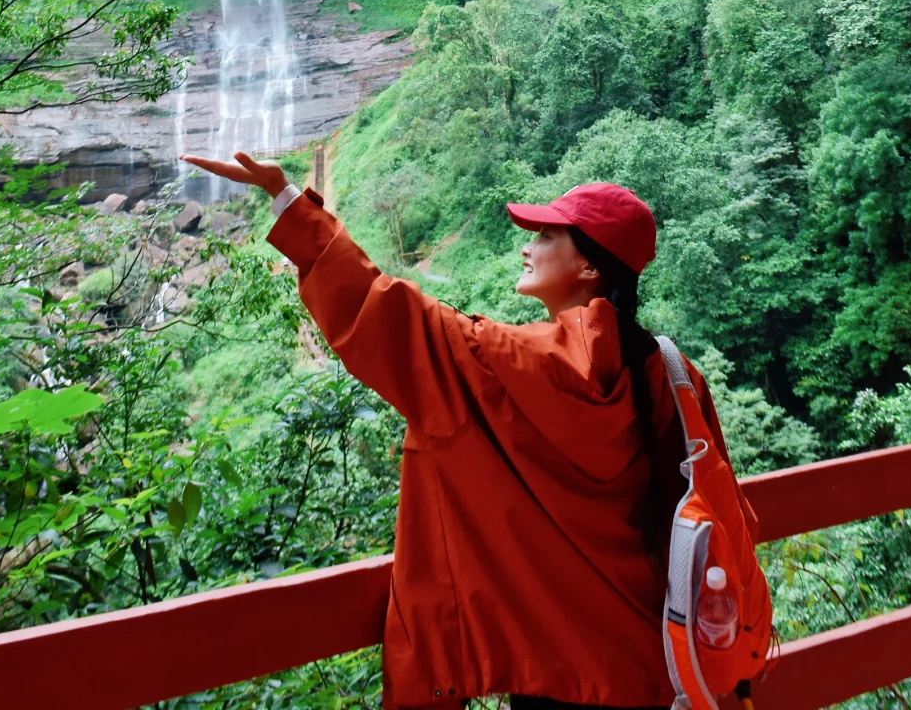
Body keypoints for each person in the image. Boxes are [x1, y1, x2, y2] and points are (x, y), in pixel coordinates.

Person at [180, 149, 752, 710]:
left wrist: (284, 197)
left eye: (545, 236)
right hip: (658, 661)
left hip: (558, 673)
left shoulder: (504, 364)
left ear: (589, 267)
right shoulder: (676, 376)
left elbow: (382, 313)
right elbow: (719, 507)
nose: (527, 246)